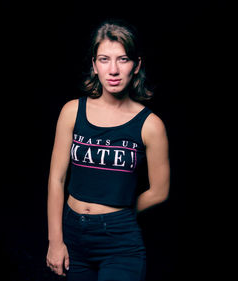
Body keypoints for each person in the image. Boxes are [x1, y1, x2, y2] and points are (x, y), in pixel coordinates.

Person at [46, 19, 170, 281]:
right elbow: (56, 180)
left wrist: (121, 214)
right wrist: (55, 241)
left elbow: (160, 191)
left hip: (119, 242)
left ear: (136, 65)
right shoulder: (71, 112)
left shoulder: (151, 125)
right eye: (104, 59)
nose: (113, 70)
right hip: (72, 236)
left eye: (122, 60)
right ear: (94, 65)